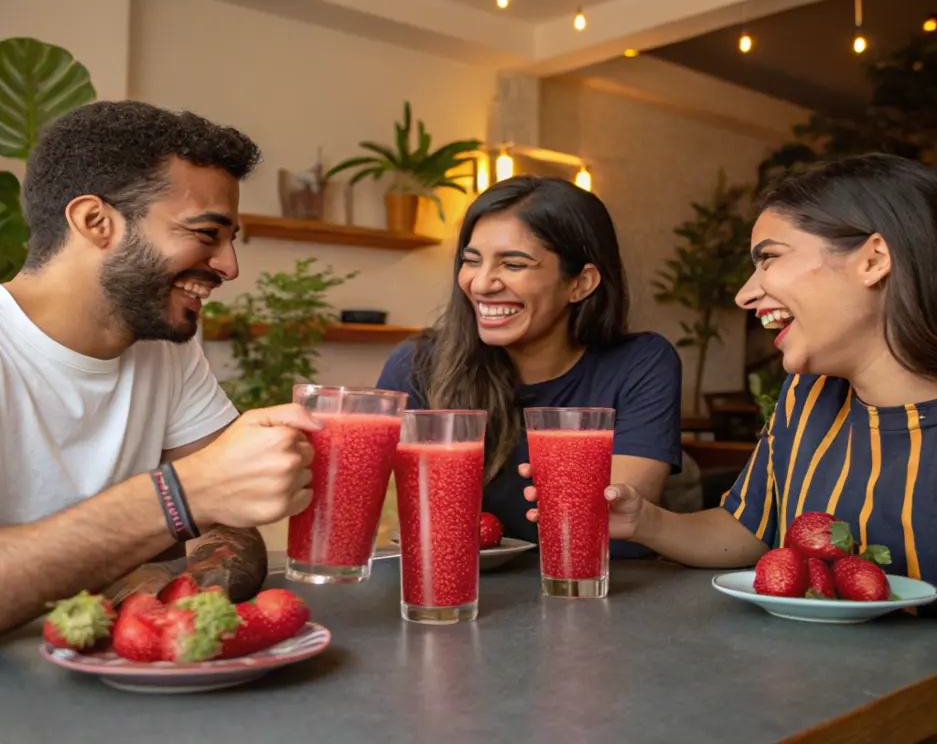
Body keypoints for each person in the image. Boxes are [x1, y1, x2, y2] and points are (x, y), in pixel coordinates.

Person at [524, 154, 937, 598]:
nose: (745, 295)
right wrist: (643, 521)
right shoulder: (809, 396)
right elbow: (746, 531)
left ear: (873, 260)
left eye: (770, 258)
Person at [0, 100, 317, 634]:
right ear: (95, 222)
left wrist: (179, 599)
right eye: (205, 233)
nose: (229, 267)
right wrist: (183, 493)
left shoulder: (164, 345)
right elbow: (204, 492)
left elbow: (225, 527)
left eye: (230, 239)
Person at [377, 175, 685, 551]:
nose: (482, 283)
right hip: (472, 598)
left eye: (513, 264)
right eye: (471, 261)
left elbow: (611, 525)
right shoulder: (419, 365)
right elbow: (363, 494)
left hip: (606, 596)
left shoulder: (642, 364)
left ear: (581, 283)